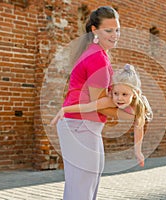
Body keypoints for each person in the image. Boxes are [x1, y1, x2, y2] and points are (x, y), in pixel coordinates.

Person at [51, 6, 134, 200]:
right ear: (94, 30)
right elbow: (101, 103)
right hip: (80, 125)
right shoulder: (97, 57)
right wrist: (132, 114)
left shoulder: (98, 53)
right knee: (81, 190)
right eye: (109, 30)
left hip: (82, 125)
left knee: (82, 187)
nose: (115, 35)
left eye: (117, 30)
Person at [52, 64, 153, 167]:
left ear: (135, 93)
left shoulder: (139, 107)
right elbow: (88, 107)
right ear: (112, 91)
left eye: (124, 94)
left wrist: (138, 152)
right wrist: (65, 109)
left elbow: (138, 128)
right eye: (116, 93)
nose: (119, 98)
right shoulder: (110, 101)